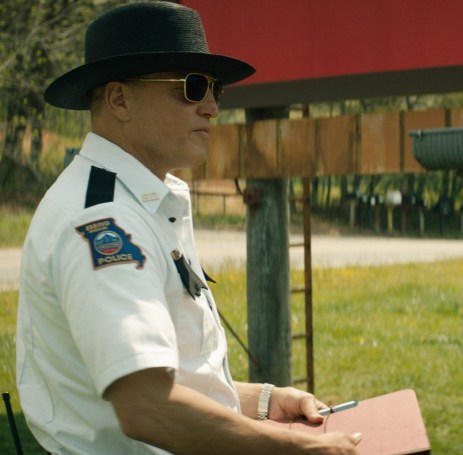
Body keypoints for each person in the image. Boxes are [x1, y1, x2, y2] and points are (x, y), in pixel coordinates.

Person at [16, 2, 360, 454]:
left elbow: (170, 379)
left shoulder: (139, 202)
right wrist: (296, 449)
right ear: (119, 99)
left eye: (215, 88)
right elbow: (146, 405)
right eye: (192, 86)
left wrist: (264, 402)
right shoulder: (104, 223)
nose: (212, 107)